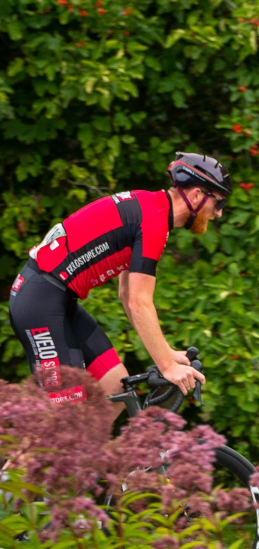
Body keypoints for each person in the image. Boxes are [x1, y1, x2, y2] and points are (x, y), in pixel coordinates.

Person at [8, 153, 230, 417]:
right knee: (61, 424)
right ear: (196, 196)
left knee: (114, 387)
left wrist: (166, 354)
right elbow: (139, 303)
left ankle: (81, 458)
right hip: (41, 303)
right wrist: (168, 368)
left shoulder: (152, 209)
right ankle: (36, 458)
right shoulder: (154, 222)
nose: (218, 213)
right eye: (218, 203)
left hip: (56, 299)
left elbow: (126, 294)